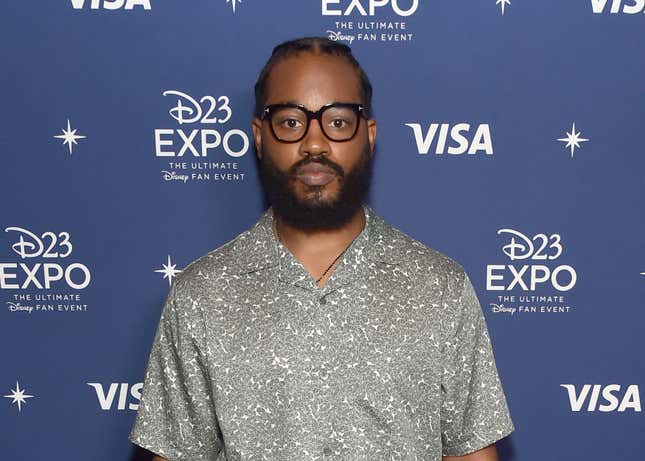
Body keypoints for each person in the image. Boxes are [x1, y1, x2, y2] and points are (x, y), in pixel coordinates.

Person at [129, 36, 515, 461]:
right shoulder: (201, 295)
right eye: (291, 121)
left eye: (337, 120)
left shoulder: (440, 288)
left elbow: (471, 453)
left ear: (368, 135)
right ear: (259, 136)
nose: (314, 143)